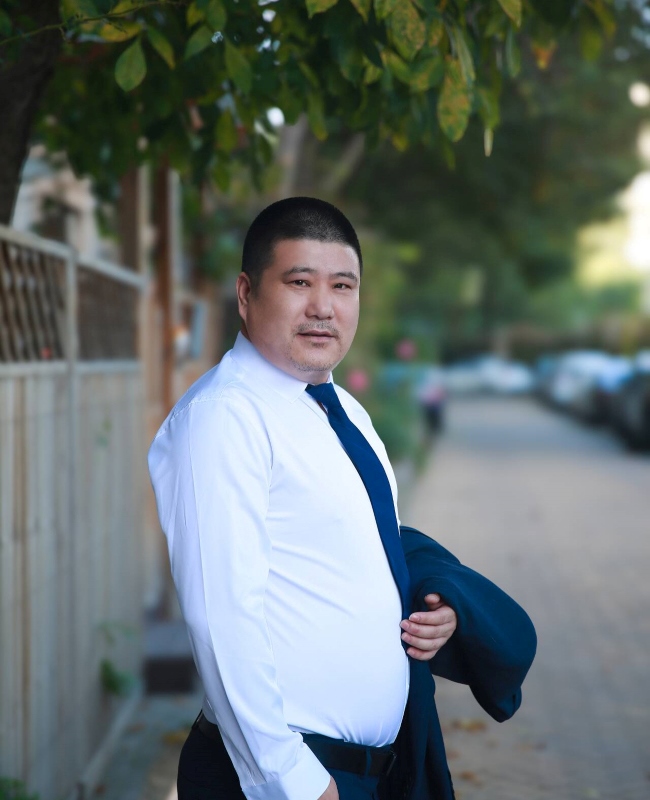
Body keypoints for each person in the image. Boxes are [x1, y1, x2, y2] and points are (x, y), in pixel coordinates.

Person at [147, 197, 461, 800]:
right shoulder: (225, 417)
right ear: (246, 294)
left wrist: (429, 613)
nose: (323, 306)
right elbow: (221, 618)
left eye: (342, 286)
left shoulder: (344, 411)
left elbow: (357, 558)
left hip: (366, 774)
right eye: (299, 282)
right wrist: (290, 782)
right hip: (290, 778)